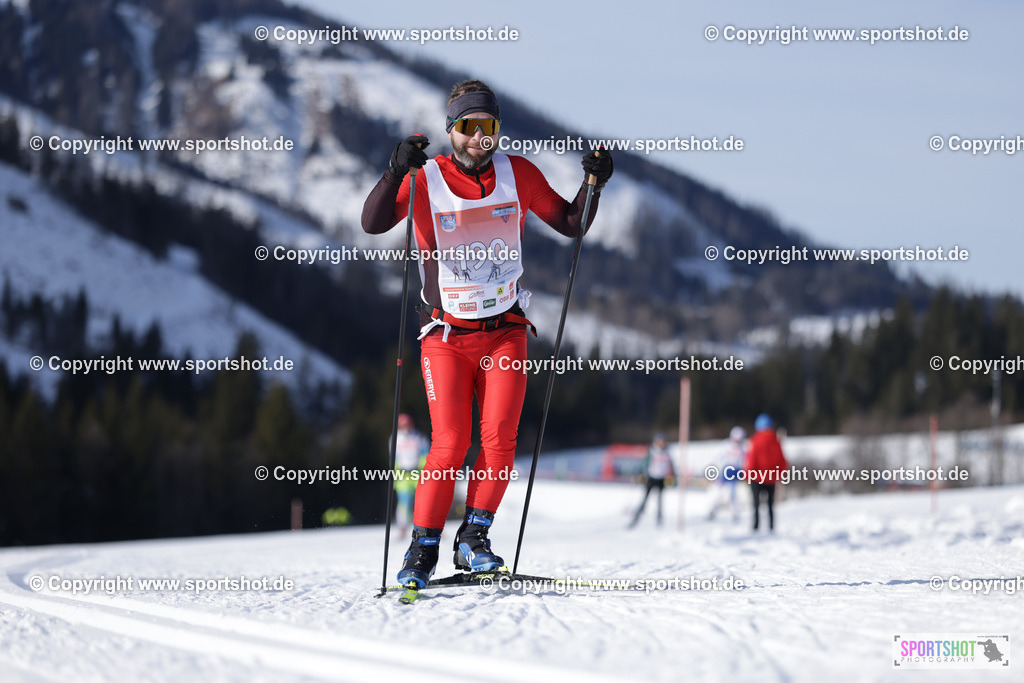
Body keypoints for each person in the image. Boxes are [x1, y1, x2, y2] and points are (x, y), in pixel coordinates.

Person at [361, 79, 613, 588]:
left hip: (505, 333)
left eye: (490, 127)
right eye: (470, 127)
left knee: (499, 442)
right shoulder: (425, 177)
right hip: (447, 336)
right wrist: (393, 172)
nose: (482, 137)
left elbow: (571, 222)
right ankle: (423, 547)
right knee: (450, 443)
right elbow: (372, 223)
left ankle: (474, 539)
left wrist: (594, 185)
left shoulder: (516, 173)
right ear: (452, 130)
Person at [744, 414, 789, 532]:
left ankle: (756, 526)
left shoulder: (754, 441)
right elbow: (782, 461)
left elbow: (751, 460)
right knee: (770, 504)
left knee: (756, 504)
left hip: (756, 478)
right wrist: (779, 475)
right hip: (771, 478)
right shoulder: (776, 441)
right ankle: (771, 527)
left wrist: (748, 475)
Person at [628, 433, 675, 528]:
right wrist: (638, 474)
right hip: (651, 478)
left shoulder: (667, 453)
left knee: (660, 500)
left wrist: (673, 478)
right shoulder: (652, 451)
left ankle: (659, 520)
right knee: (645, 499)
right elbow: (644, 463)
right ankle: (637, 517)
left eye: (663, 442)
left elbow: (671, 467)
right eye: (659, 442)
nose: (661, 444)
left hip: (661, 479)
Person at [393, 414, 428, 536]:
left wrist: (424, 470)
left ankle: (428, 526)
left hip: (417, 473)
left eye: (407, 425)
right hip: (403, 474)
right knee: (404, 501)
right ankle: (402, 528)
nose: (405, 428)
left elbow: (425, 454)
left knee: (423, 501)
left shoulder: (418, 437)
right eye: (403, 426)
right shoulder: (394, 438)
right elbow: (393, 458)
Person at [707, 426, 745, 522]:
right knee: (719, 492)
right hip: (726, 471)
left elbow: (743, 460)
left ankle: (735, 513)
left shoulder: (742, 448)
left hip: (736, 471)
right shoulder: (726, 445)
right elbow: (718, 458)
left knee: (733, 493)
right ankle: (713, 510)